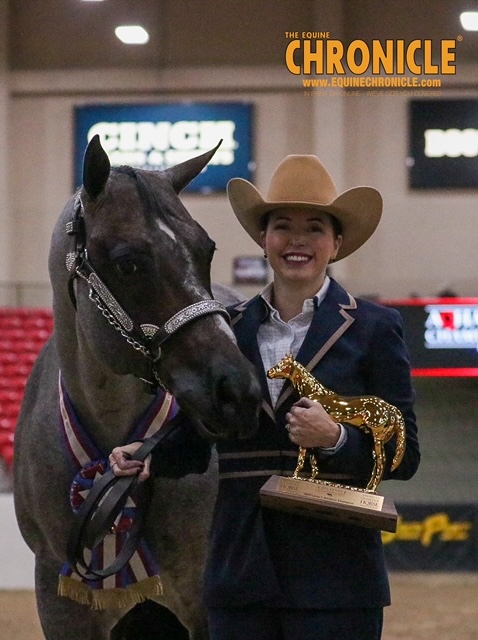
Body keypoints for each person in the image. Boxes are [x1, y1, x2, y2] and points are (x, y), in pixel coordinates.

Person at [110, 154, 420, 640]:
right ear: (263, 239)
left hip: (337, 579)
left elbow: (404, 454)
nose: (298, 240)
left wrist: (336, 438)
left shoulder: (376, 329)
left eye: (315, 228)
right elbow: (199, 436)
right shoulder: (227, 330)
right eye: (283, 226)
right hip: (240, 574)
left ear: (336, 243)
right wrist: (148, 456)